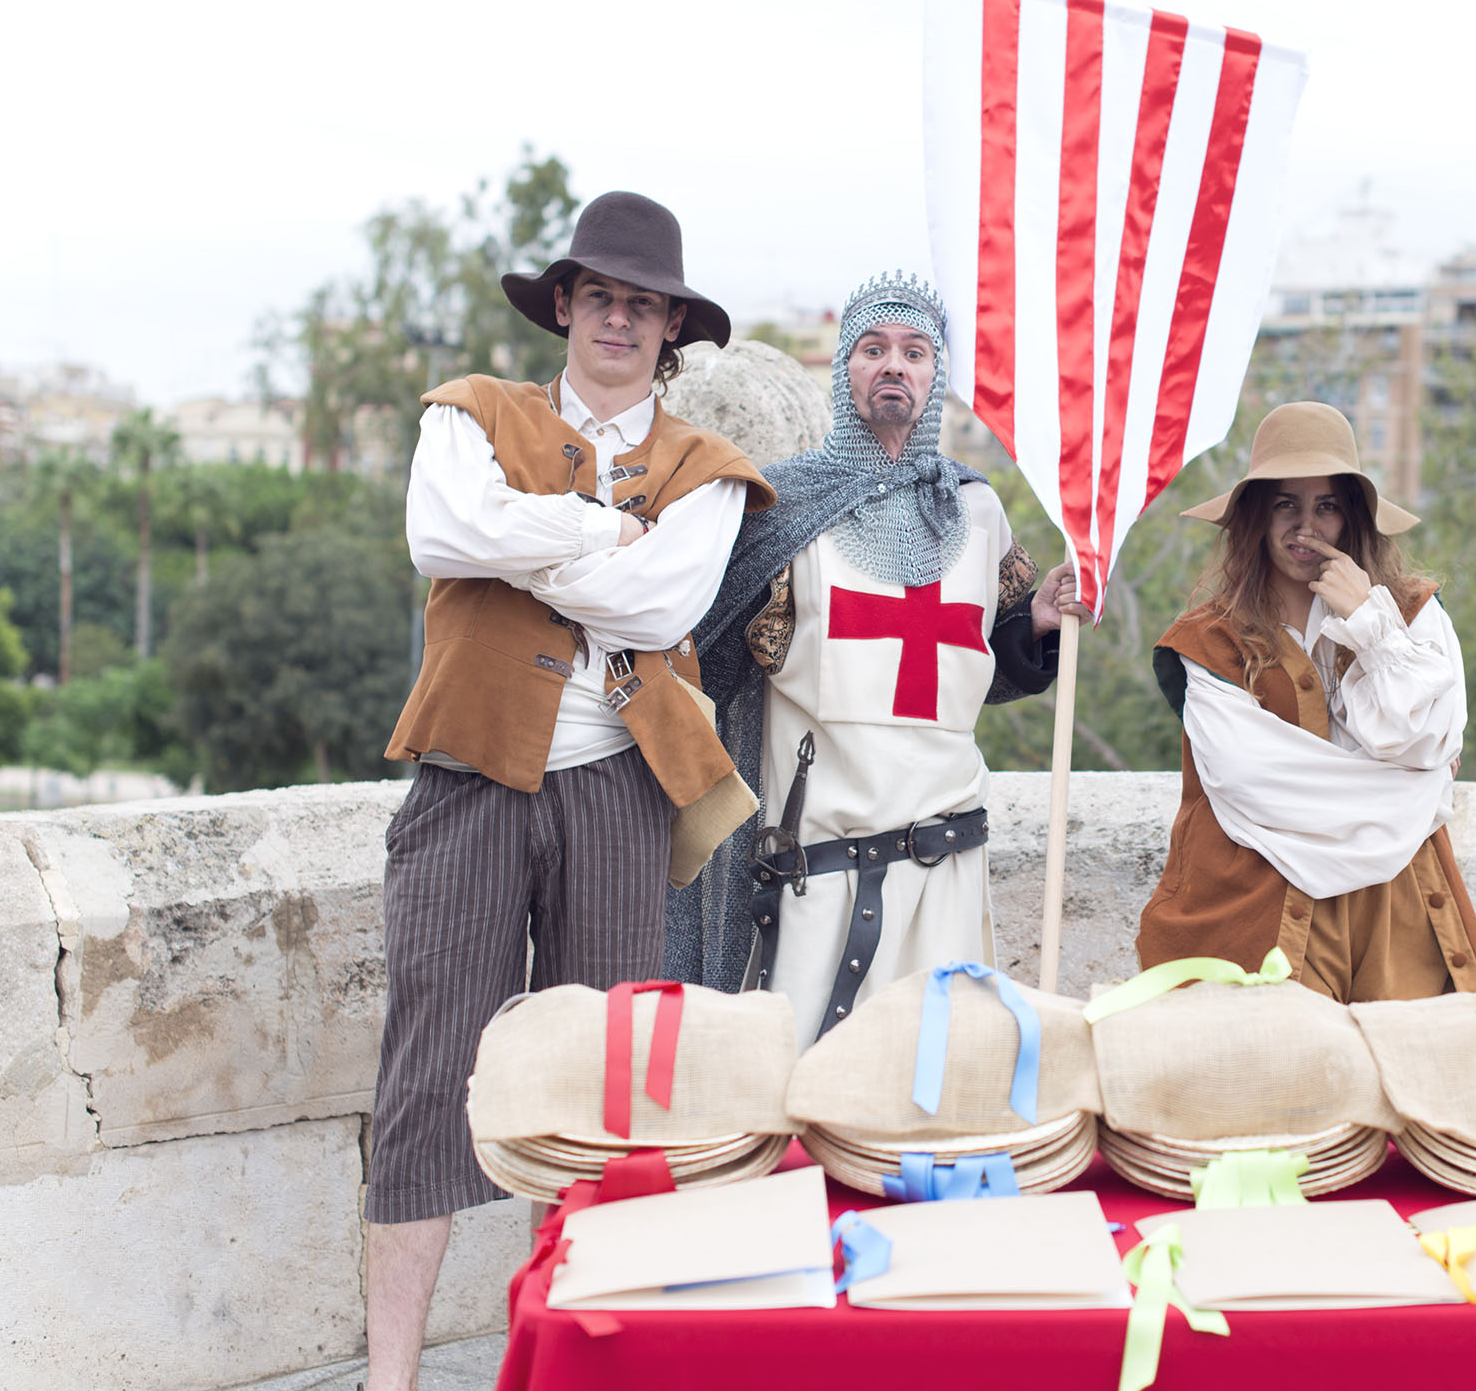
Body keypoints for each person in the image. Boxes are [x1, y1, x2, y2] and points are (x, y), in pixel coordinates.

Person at [364, 191, 772, 1391]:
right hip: (469, 777)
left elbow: (664, 608)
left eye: (642, 305)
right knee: (427, 1073)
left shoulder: (707, 469)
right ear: (563, 305)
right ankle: (388, 1376)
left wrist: (522, 537)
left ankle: (575, 1362)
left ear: (670, 330)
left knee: (609, 1092)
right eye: (600, 295)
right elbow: (442, 530)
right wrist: (597, 532)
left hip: (617, 789)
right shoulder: (470, 415)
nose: (618, 319)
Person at [677, 270, 1080, 1047]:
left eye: (915, 351)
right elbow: (712, 664)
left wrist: (1034, 620)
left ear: (936, 375)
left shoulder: (977, 510)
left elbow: (978, 665)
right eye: (873, 349)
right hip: (821, 868)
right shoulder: (782, 510)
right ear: (844, 370)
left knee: (943, 1082)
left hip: (947, 861)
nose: (894, 365)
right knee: (811, 1092)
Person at [1137, 401, 1476, 1001]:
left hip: (1397, 907)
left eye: (1326, 506)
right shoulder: (1211, 640)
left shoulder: (1412, 615)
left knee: (1407, 1078)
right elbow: (1255, 780)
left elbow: (1422, 736)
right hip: (1253, 907)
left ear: (1352, 515)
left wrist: (1372, 624)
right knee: (1268, 1085)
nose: (1306, 528)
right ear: (1255, 515)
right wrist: (1419, 789)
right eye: (1286, 505)